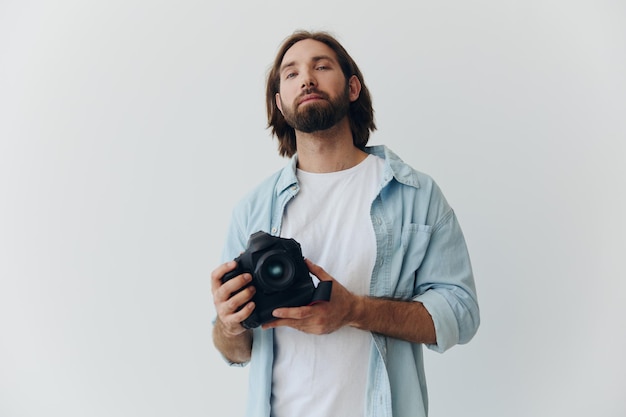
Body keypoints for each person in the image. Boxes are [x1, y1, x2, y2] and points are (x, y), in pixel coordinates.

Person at [211, 30, 480, 417]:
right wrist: (229, 325)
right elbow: (235, 350)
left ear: (352, 87)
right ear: (279, 103)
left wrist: (354, 310)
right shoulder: (252, 210)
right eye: (291, 74)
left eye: (321, 66)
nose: (307, 78)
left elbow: (462, 312)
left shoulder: (415, 194)